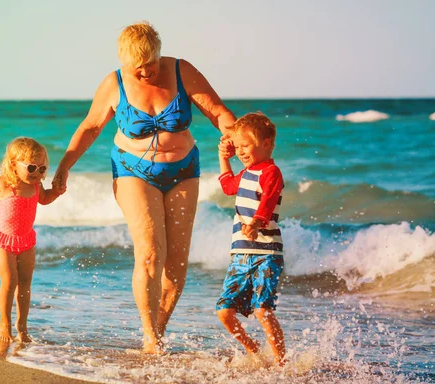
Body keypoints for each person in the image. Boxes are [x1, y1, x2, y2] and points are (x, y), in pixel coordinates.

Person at [51, 22, 236, 353]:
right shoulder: (114, 83)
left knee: (176, 266)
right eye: (138, 69)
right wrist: (64, 167)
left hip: (184, 170)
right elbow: (91, 127)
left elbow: (218, 112)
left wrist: (238, 137)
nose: (146, 72)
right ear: (124, 62)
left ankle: (159, 330)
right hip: (132, 170)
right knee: (151, 253)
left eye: (151, 64)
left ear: (158, 53)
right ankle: (149, 336)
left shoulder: (181, 70)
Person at [0, 137, 62, 343]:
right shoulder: (3, 185)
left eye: (42, 169)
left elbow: (44, 200)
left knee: (25, 284)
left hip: (26, 241)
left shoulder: (36, 186)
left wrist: (55, 192)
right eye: (31, 168)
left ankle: (22, 325)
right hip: (3, 241)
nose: (37, 173)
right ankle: (4, 322)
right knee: (9, 282)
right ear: (13, 165)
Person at [216, 112, 286, 366]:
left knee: (262, 310)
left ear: (266, 143)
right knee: (224, 311)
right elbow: (227, 186)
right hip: (240, 254)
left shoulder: (271, 171)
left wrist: (257, 222)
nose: (240, 151)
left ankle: (281, 363)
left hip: (267, 253)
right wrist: (224, 158)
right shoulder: (245, 174)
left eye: (245, 145)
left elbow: (268, 199)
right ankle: (254, 350)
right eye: (237, 146)